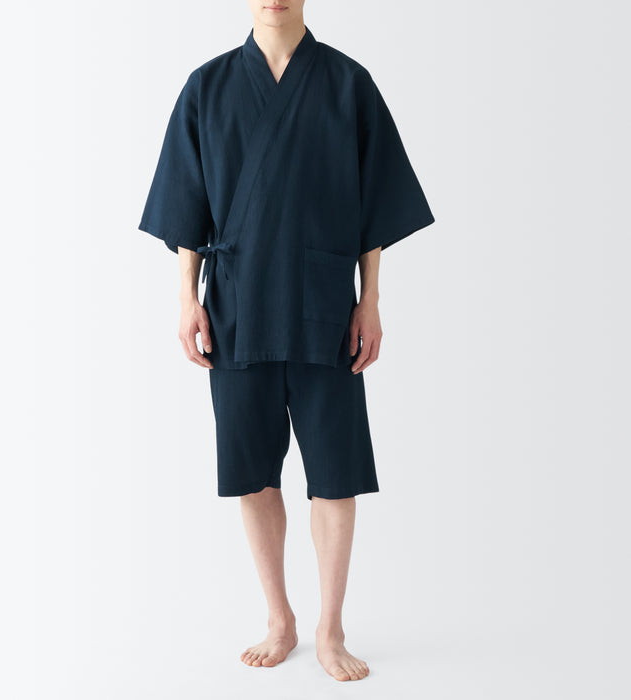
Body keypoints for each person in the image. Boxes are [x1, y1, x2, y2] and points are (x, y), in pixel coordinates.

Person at [138, 0, 435, 683]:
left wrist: (370, 300)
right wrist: (186, 298)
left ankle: (330, 627)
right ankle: (280, 618)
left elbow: (375, 204)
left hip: (326, 306)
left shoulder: (348, 83)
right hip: (236, 306)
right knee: (252, 471)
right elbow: (186, 204)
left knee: (335, 472)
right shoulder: (207, 86)